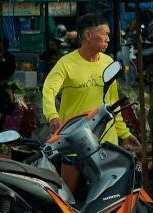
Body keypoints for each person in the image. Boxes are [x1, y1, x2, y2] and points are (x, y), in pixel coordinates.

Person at [40, 12, 133, 146]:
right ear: (88, 35)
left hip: (107, 143)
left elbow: (113, 102)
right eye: (104, 34)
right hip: (75, 142)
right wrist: (52, 115)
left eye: (108, 34)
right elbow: (48, 91)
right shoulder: (66, 64)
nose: (108, 39)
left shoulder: (108, 62)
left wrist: (124, 134)